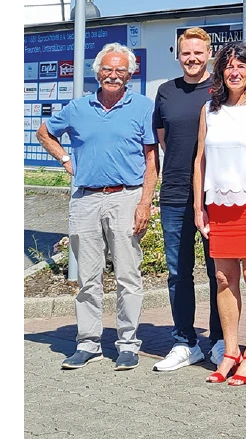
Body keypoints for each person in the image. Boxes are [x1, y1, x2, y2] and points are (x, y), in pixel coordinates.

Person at [36, 43, 158, 371]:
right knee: (88, 276)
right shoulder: (77, 108)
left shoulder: (143, 107)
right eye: (107, 69)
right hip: (85, 199)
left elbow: (151, 160)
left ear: (130, 74)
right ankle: (88, 342)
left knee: (128, 275)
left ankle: (128, 344)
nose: (113, 75)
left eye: (120, 70)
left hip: (125, 197)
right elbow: (44, 132)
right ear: (98, 72)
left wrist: (145, 203)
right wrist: (64, 159)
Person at [192, 42, 246, 386]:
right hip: (218, 206)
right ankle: (229, 351)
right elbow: (200, 160)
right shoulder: (209, 109)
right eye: (228, 66)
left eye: (242, 66)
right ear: (220, 71)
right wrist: (199, 206)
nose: (234, 72)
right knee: (224, 279)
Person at [151, 27, 224, 372]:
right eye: (186, 53)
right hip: (177, 194)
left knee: (219, 272)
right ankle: (185, 342)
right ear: (178, 55)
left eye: (198, 52)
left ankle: (221, 341)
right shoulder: (166, 91)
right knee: (178, 271)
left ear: (209, 53)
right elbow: (166, 140)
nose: (192, 58)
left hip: (218, 194)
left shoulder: (222, 89)